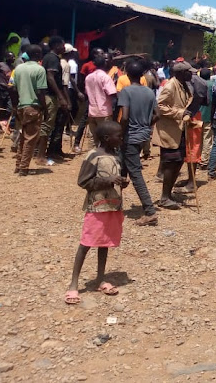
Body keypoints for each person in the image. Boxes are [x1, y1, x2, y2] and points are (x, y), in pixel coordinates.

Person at [64, 120, 129, 304]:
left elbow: (115, 178)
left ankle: (101, 278)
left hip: (113, 205)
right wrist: (108, 180)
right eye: (118, 136)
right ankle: (74, 284)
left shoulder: (116, 155)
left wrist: (121, 182)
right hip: (97, 206)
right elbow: (84, 182)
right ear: (107, 138)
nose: (121, 139)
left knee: (104, 243)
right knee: (86, 243)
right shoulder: (93, 156)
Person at [117, 60, 159, 226]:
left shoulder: (126, 91)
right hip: (142, 135)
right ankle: (114, 205)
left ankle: (150, 211)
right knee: (121, 168)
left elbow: (125, 116)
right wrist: (147, 124)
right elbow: (158, 114)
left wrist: (119, 132)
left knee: (135, 174)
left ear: (127, 75)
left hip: (130, 136)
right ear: (142, 76)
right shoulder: (149, 92)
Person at [155, 61, 193, 210]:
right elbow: (160, 106)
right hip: (170, 131)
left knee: (178, 162)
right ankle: (164, 197)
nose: (191, 74)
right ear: (180, 73)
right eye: (189, 72)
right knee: (171, 163)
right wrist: (180, 113)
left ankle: (168, 194)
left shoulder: (184, 85)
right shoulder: (170, 86)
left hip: (180, 130)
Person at [10, 45, 47, 175]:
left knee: (23, 137)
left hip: (21, 106)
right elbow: (41, 91)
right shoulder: (40, 69)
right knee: (31, 139)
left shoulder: (18, 68)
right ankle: (23, 168)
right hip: (33, 106)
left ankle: (18, 165)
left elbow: (13, 89)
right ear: (37, 54)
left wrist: (15, 106)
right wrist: (45, 107)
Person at [38, 36, 69, 166]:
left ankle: (44, 153)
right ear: (56, 45)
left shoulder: (50, 58)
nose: (64, 47)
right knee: (46, 125)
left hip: (49, 95)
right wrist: (60, 96)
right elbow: (50, 78)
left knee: (47, 125)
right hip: (50, 96)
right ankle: (40, 157)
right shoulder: (53, 59)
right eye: (62, 45)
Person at [84, 53, 117, 148]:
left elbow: (87, 92)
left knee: (93, 138)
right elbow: (112, 93)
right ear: (105, 64)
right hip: (104, 112)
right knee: (106, 137)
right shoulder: (105, 77)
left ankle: (92, 157)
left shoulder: (88, 77)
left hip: (92, 111)